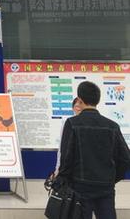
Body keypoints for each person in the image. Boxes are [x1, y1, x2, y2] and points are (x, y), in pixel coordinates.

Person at [58, 81, 130, 219]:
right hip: (105, 188)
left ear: (80, 100)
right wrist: (112, 178)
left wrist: (63, 179)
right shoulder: (112, 126)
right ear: (98, 100)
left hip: (79, 188)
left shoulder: (72, 123)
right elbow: (126, 159)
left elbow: (66, 158)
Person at [53, 98, 83, 176]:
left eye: (81, 106)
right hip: (71, 164)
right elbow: (61, 146)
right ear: (73, 108)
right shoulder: (68, 123)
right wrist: (57, 168)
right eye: (77, 106)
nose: (79, 108)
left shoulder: (88, 123)